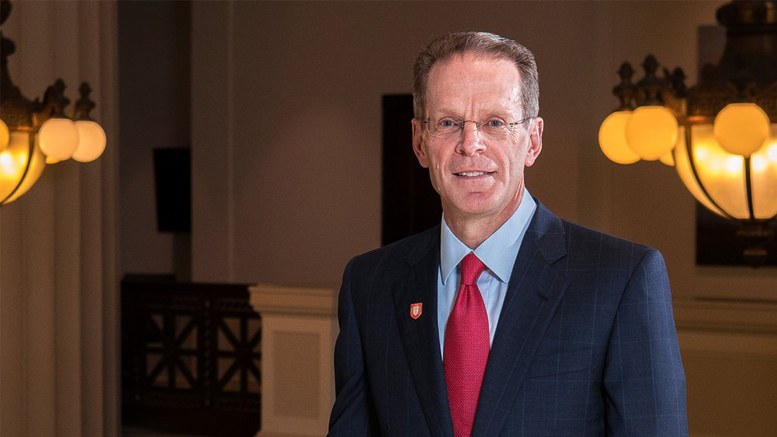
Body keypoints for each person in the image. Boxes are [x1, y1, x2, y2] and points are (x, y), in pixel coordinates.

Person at [328, 31, 687, 437]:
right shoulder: (370, 284)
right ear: (420, 141)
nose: (471, 144)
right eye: (448, 123)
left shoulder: (622, 279)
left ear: (532, 140)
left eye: (495, 122)